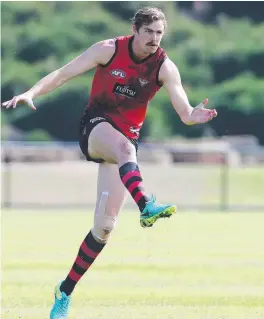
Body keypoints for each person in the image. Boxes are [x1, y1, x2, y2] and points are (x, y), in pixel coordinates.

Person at [2, 6, 217, 319]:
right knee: (124, 150)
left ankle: (64, 291)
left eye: (159, 33)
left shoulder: (165, 67)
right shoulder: (107, 50)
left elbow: (183, 111)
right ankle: (146, 205)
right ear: (135, 29)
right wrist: (32, 91)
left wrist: (192, 116)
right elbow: (64, 74)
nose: (155, 39)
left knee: (103, 228)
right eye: (149, 32)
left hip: (123, 144)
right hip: (96, 127)